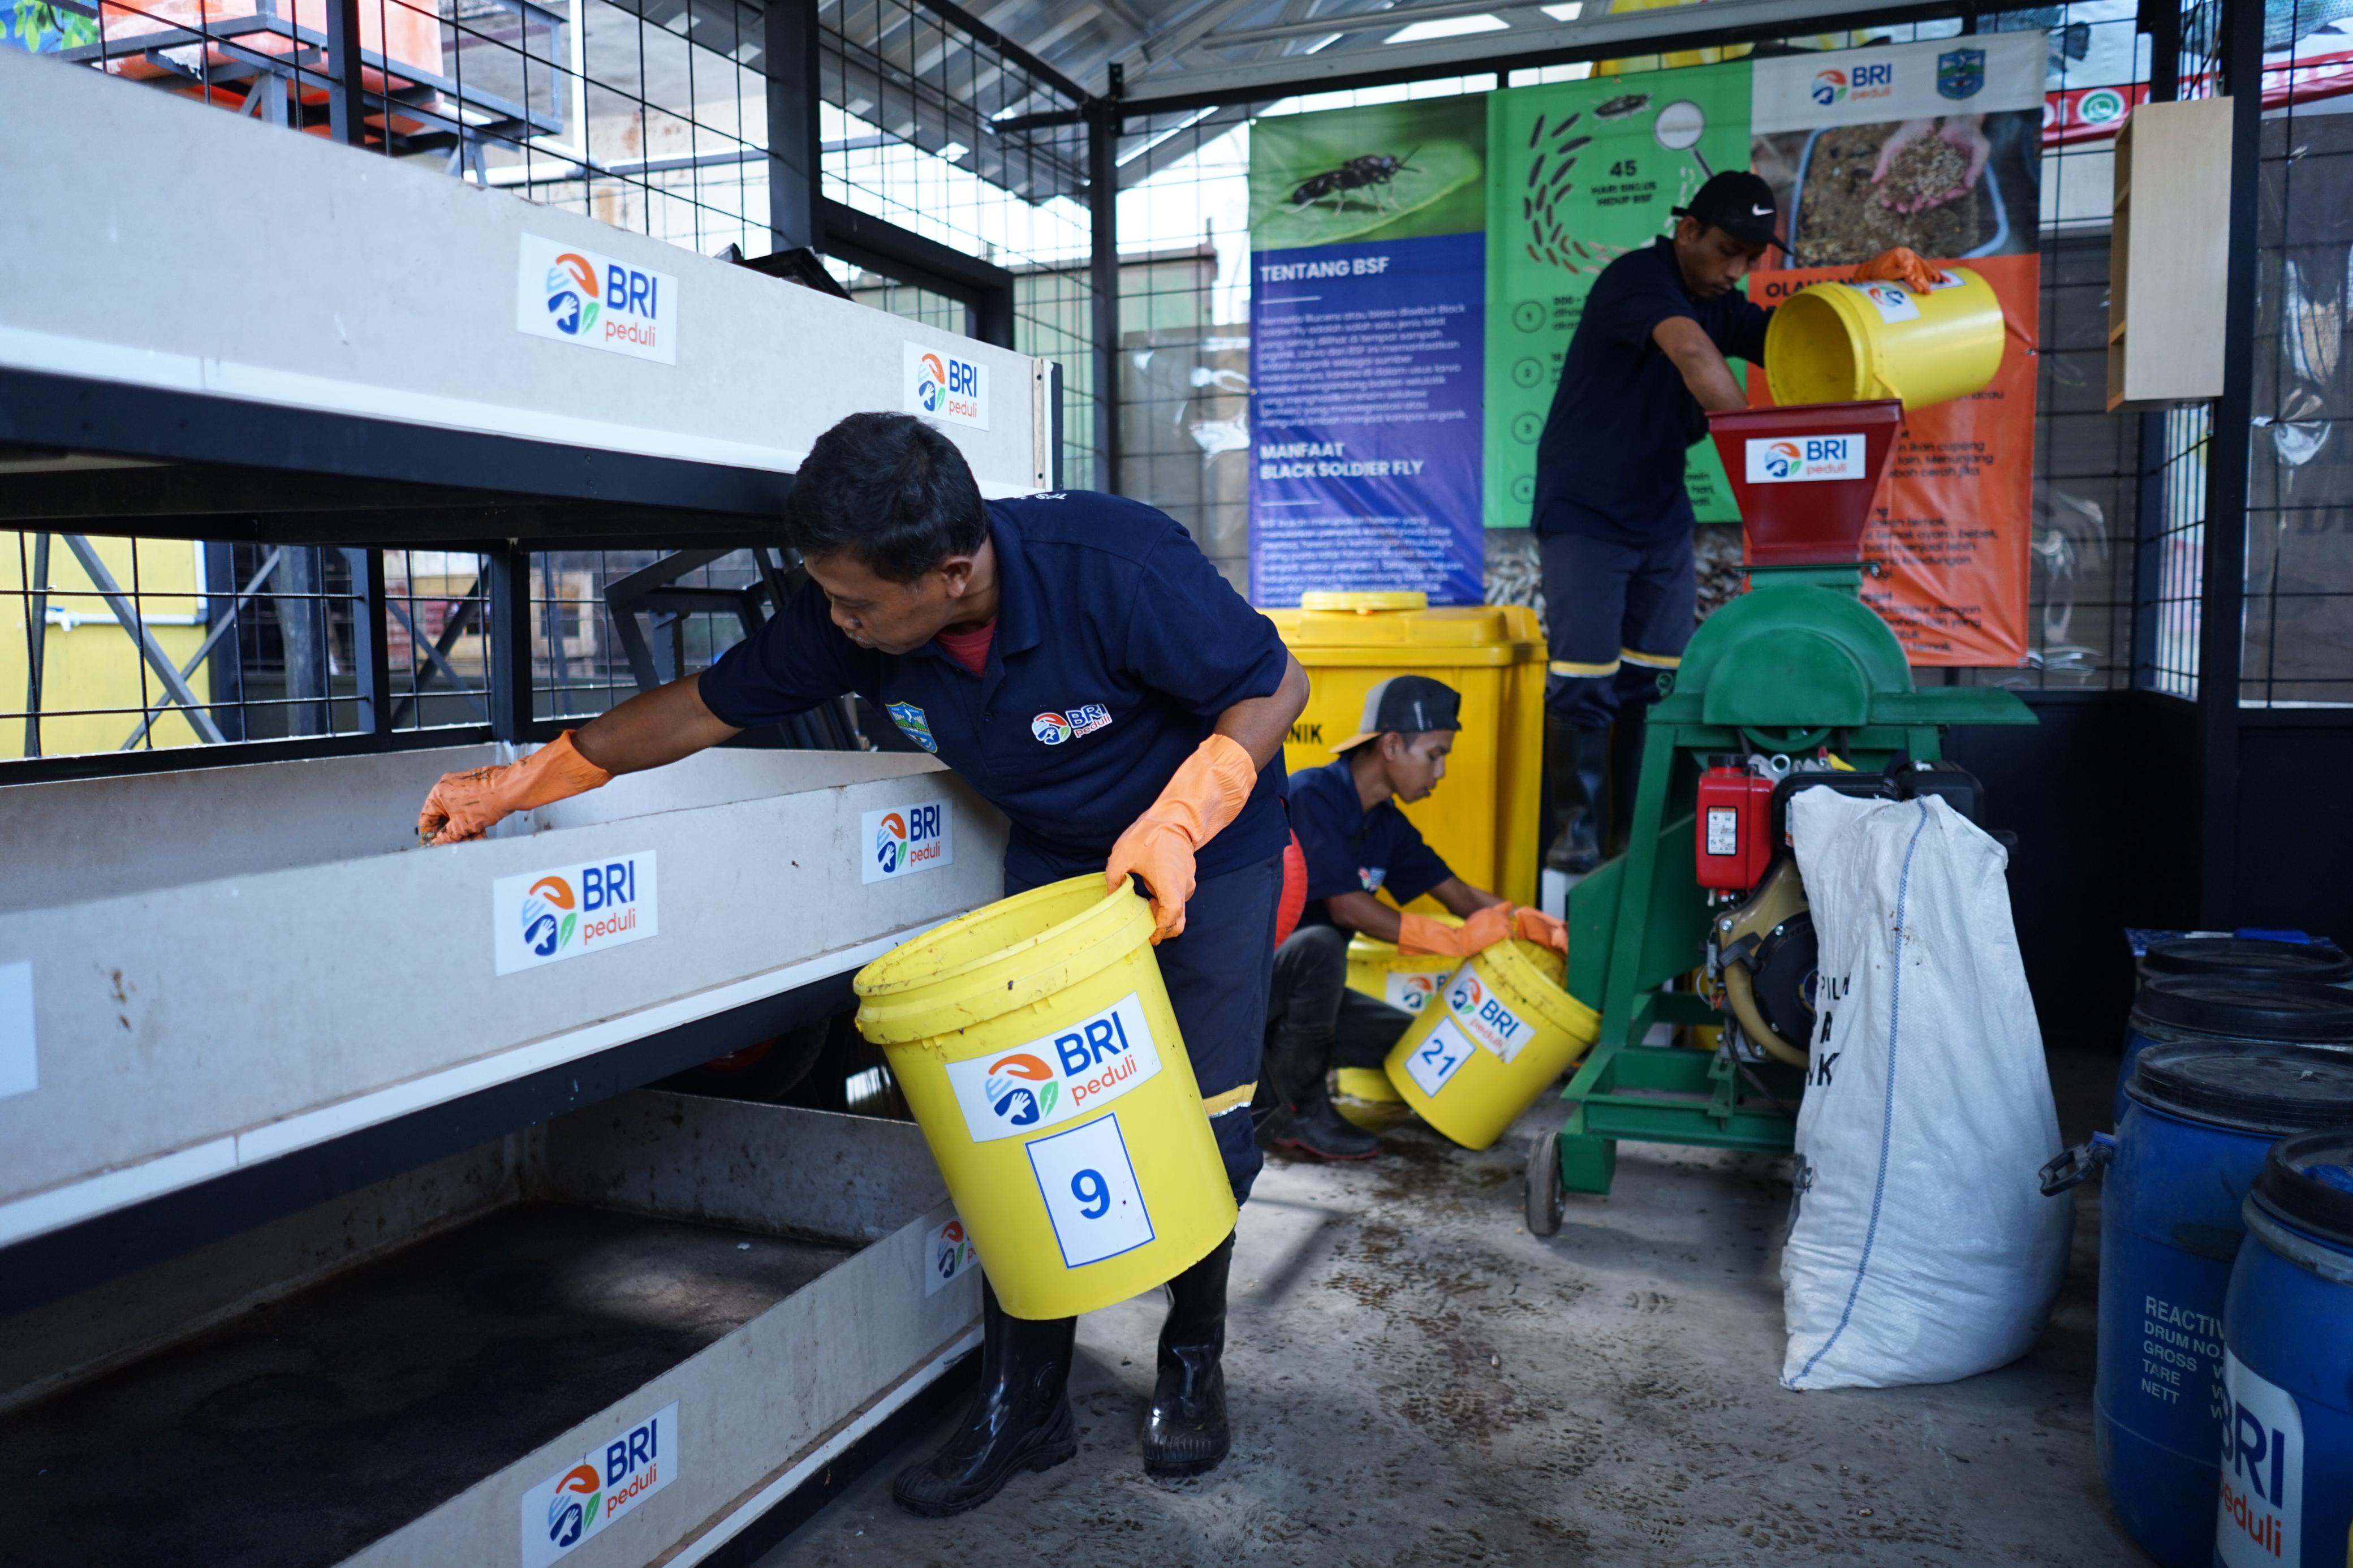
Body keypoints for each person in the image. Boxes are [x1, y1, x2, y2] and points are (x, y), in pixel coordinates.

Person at [412, 413, 1308, 1515]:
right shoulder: (851, 618)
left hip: (1205, 849)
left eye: (854, 604)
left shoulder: (1114, 565)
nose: (833, 621)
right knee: (1025, 1126)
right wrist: (514, 786)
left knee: (1207, 1134)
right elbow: (699, 708)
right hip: (1062, 862)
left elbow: (1273, 686)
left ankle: (1189, 1362)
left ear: (951, 569)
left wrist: (1177, 822)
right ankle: (1024, 1408)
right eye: (827, 597)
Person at [1529, 170, 1939, 875]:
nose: (1735, 271)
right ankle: (1572, 849)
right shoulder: (1639, 279)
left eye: (1750, 259)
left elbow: (1802, 335)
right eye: (1725, 250)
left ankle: (1635, 850)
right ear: (1686, 229)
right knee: (1584, 678)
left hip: (1659, 517)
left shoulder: (1722, 301)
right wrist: (1764, 462)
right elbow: (1691, 353)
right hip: (1585, 513)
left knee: (1656, 680)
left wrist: (1868, 292)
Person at [1261, 676, 1566, 1160]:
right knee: (1319, 945)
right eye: (1435, 754)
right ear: (1391, 745)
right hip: (1258, 990)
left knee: (1416, 1043)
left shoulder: (1386, 825)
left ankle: (1278, 1081)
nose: (1441, 771)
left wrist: (1527, 924)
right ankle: (1294, 1111)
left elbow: (1458, 894)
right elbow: (1346, 906)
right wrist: (1455, 942)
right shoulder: (1311, 796)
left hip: (1309, 1003)